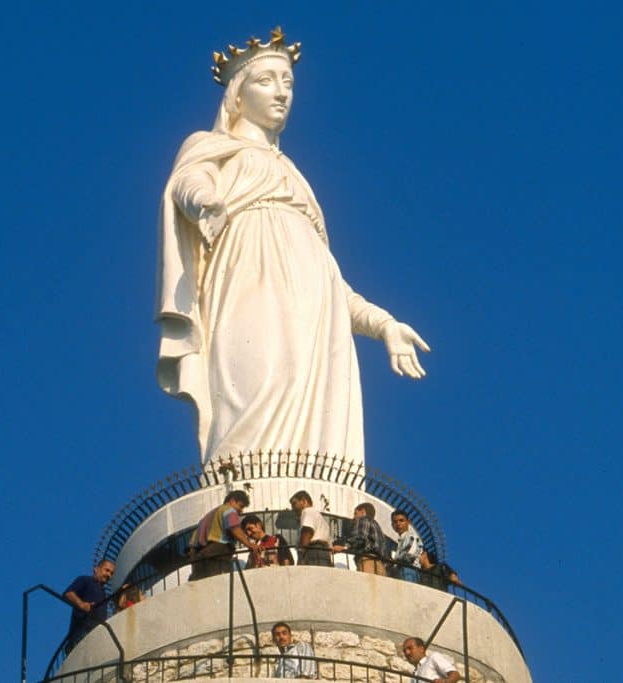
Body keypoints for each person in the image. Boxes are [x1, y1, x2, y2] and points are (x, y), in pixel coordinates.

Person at [156, 26, 430, 465]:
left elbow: (332, 280)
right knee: (257, 381)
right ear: (236, 96)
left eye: (288, 83)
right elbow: (188, 183)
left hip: (315, 302)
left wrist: (384, 325)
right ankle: (238, 494)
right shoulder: (210, 147)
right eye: (266, 81)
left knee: (315, 411)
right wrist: (204, 201)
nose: (282, 93)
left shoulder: (297, 180)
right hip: (246, 274)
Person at [188, 490, 261, 580]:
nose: (241, 511)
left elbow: (193, 541)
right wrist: (250, 545)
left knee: (200, 585)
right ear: (232, 501)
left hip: (198, 557)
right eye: (241, 506)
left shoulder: (209, 515)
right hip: (217, 554)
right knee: (220, 583)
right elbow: (234, 528)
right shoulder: (229, 510)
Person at [63, 560, 115, 654]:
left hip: (96, 633)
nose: (109, 575)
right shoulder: (86, 580)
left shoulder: (103, 593)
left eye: (111, 573)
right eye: (106, 570)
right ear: (96, 569)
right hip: (81, 632)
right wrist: (81, 604)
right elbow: (68, 594)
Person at [332, 503, 387, 575]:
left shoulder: (363, 519)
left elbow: (361, 538)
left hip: (367, 560)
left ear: (363, 512)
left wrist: (344, 547)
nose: (353, 518)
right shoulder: (378, 528)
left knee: (366, 585)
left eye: (355, 513)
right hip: (380, 564)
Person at [289, 490, 332, 566]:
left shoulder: (308, 511)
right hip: (325, 553)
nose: (293, 508)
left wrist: (302, 554)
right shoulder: (320, 518)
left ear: (303, 501)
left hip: (314, 551)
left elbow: (307, 531)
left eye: (294, 504)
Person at [391, 509, 424, 583]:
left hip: (409, 570)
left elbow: (410, 556)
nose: (398, 524)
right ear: (392, 525)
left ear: (408, 522)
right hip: (402, 571)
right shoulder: (401, 540)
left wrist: (394, 561)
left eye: (401, 520)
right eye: (395, 522)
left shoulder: (411, 536)